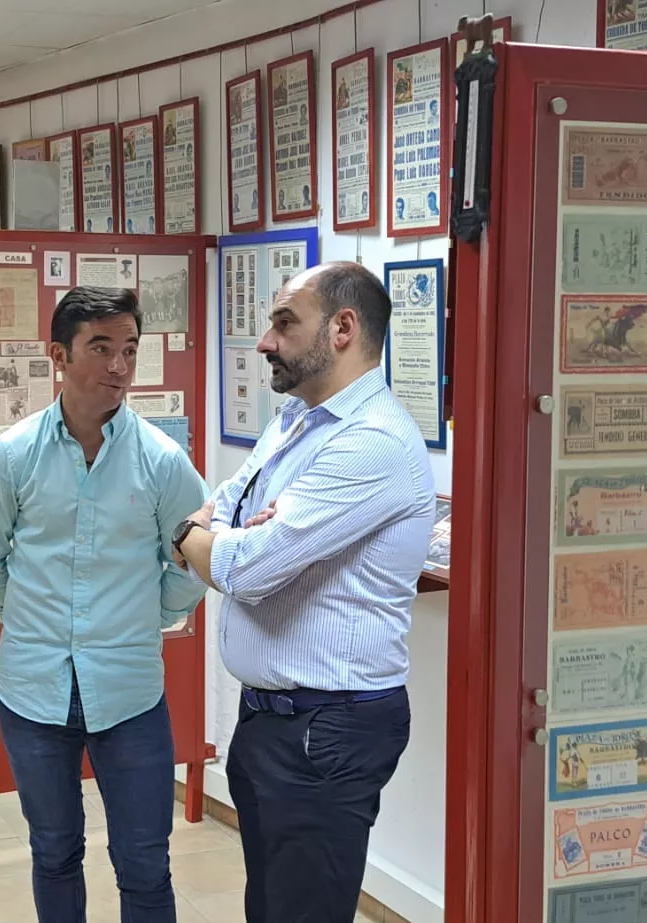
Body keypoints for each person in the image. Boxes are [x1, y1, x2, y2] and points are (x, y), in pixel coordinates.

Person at [168, 262, 435, 923]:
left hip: (328, 728)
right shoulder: (297, 417)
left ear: (343, 328)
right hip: (273, 719)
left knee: (303, 909)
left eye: (285, 323)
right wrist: (225, 535)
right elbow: (228, 504)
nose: (266, 341)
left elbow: (246, 568)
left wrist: (193, 536)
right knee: (273, 905)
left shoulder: (372, 440)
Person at [0, 287, 207, 923]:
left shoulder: (162, 461)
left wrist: (148, 616)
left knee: (145, 862)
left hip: (130, 692)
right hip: (33, 689)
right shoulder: (9, 456)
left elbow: (193, 561)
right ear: (58, 356)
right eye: (100, 348)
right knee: (54, 851)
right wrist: (34, 620)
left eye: (129, 349)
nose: (119, 366)